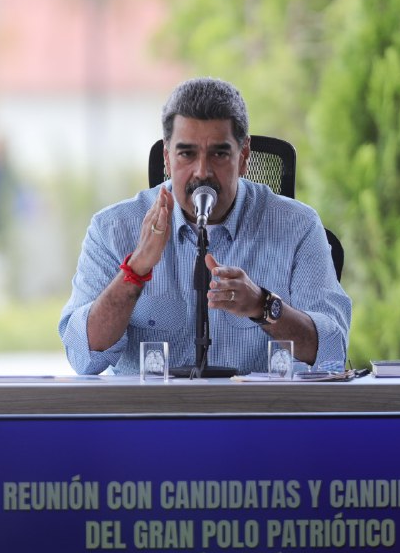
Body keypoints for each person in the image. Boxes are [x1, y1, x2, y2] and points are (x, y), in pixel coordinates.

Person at [59, 77, 351, 375]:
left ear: (244, 157)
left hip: (258, 405)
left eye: (219, 154)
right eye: (187, 154)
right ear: (167, 159)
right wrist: (135, 270)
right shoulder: (113, 228)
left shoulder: (298, 226)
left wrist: (262, 306)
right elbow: (83, 357)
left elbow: (332, 351)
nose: (202, 171)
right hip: (152, 406)